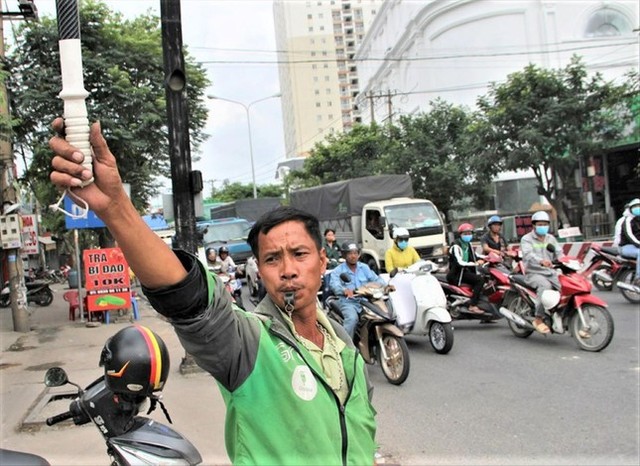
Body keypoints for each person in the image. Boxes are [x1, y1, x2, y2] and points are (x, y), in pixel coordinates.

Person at [49, 120, 377, 465]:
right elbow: (187, 297)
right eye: (272, 259)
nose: (288, 270)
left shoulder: (342, 342)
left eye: (299, 254)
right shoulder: (247, 343)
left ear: (323, 260)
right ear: (259, 270)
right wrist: (116, 207)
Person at [330, 242, 389, 339]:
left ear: (359, 254)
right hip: (349, 302)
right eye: (350, 253)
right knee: (352, 319)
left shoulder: (364, 267)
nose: (353, 256)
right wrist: (344, 290)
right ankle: (347, 348)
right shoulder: (338, 270)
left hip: (366, 301)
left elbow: (375, 279)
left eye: (355, 253)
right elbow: (334, 285)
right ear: (344, 255)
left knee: (382, 314)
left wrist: (386, 286)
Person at [520, 210, 563, 334]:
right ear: (533, 225)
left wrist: (566, 260)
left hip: (551, 272)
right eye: (540, 224)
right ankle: (538, 318)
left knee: (565, 287)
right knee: (545, 287)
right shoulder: (526, 239)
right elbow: (528, 255)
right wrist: (541, 261)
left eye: (545, 224)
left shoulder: (551, 238)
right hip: (534, 273)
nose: (542, 227)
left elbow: (559, 253)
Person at [446, 223, 485, 314]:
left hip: (465, 271)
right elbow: (459, 262)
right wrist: (475, 263)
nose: (468, 235)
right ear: (460, 235)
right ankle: (473, 305)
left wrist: (487, 258)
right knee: (480, 280)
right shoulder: (456, 246)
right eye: (465, 234)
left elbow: (475, 256)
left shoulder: (468, 244)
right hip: (457, 273)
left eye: (469, 233)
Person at [618, 198, 640, 284]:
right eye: (635, 207)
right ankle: (638, 278)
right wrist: (639, 244)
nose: (638, 208)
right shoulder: (627, 220)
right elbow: (629, 235)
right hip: (626, 247)